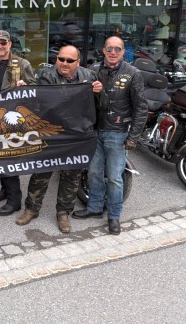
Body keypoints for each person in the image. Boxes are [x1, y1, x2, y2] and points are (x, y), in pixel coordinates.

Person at [15, 45, 102, 233]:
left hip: (77, 135)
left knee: (71, 176)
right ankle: (31, 209)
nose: (64, 63)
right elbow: (37, 103)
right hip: (51, 134)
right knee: (41, 172)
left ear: (78, 62)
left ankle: (63, 213)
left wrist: (99, 93)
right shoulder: (45, 76)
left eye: (69, 60)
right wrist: (25, 90)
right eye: (61, 59)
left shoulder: (89, 76)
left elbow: (101, 106)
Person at [72, 36, 147, 235]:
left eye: (117, 49)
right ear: (103, 50)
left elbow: (141, 108)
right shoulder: (93, 70)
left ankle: (114, 216)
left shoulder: (133, 73)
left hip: (117, 132)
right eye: (109, 48)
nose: (113, 52)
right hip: (94, 130)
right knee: (94, 172)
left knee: (114, 178)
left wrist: (133, 137)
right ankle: (95, 207)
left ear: (123, 52)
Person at [0, 30, 36, 216]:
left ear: (10, 44)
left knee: (8, 157)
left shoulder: (22, 64)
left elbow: (34, 88)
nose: (0, 46)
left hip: (12, 118)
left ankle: (14, 200)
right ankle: (5, 189)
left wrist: (24, 86)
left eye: (3, 43)